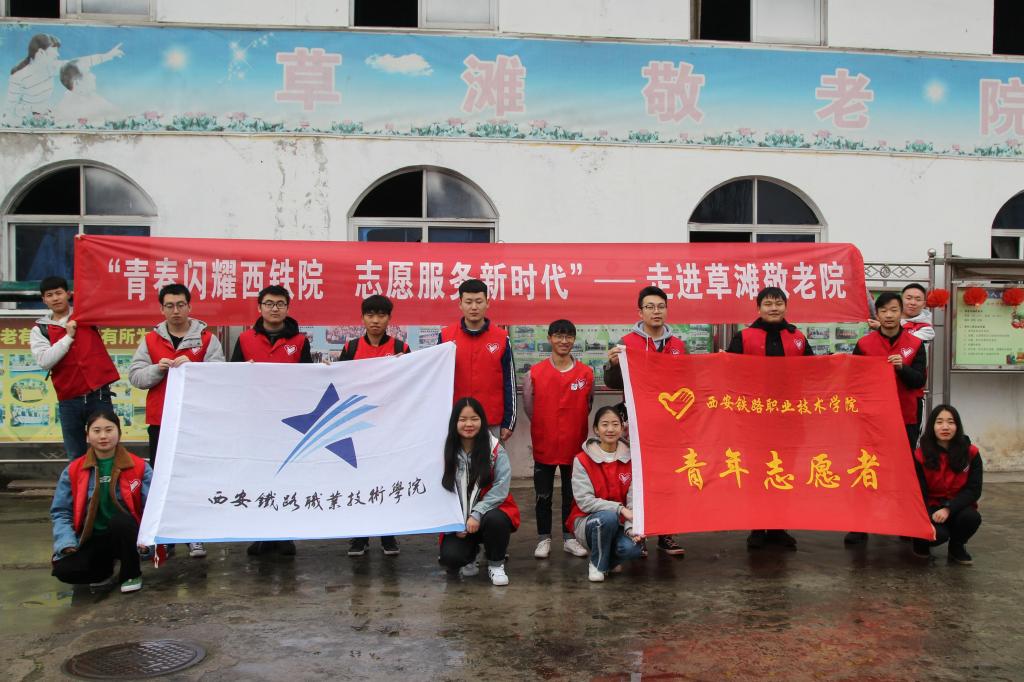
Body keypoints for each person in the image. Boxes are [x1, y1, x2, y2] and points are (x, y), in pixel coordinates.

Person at [128, 283, 224, 558]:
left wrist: (194, 368)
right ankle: (165, 536)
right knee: (162, 479)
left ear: (189, 306)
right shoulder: (150, 340)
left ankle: (195, 535)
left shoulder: (207, 339)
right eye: (169, 306)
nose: (176, 311)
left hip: (196, 421)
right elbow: (135, 376)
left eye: (181, 305)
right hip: (161, 421)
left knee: (195, 478)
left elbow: (220, 373)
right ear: (162, 309)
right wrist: (157, 369)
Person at [603, 285, 686, 557]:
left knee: (668, 479)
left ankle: (667, 534)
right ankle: (638, 532)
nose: (656, 311)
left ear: (667, 310)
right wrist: (612, 365)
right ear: (640, 312)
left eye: (660, 306)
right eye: (650, 307)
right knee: (638, 480)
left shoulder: (678, 346)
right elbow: (613, 383)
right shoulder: (627, 343)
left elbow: (688, 381)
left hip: (670, 424)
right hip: (637, 425)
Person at [727, 286, 812, 550]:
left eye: (778, 303)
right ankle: (757, 527)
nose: (773, 308)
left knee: (784, 472)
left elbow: (813, 371)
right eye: (768, 303)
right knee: (756, 473)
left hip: (789, 418)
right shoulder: (743, 337)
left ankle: (778, 527)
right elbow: (729, 373)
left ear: (786, 306)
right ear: (758, 308)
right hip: (754, 420)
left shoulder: (798, 337)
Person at [232, 285, 311, 556]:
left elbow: (308, 381)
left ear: (287, 308)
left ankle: (285, 534)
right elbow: (231, 377)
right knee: (259, 476)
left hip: (289, 421)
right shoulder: (245, 339)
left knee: (287, 477)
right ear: (259, 307)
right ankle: (261, 533)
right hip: (256, 421)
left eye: (280, 304)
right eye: (269, 303)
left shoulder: (300, 341)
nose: (274, 308)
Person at [845, 292, 926, 545]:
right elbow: (854, 380)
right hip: (871, 419)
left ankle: (904, 523)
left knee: (902, 471)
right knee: (866, 468)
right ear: (877, 315)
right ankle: (861, 525)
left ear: (901, 313)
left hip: (905, 417)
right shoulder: (864, 344)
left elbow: (919, 381)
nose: (889, 315)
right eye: (883, 311)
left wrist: (902, 368)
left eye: (893, 310)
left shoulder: (915, 344)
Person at [50, 410, 151, 594]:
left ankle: (131, 573)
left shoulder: (139, 466)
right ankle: (105, 571)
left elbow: (153, 508)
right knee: (64, 571)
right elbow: (61, 512)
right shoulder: (73, 470)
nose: (103, 436)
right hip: (94, 537)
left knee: (119, 521)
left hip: (128, 535)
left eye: (109, 430)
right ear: (88, 436)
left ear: (119, 433)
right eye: (96, 431)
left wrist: (148, 540)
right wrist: (66, 543)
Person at [341, 294, 409, 557]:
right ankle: (359, 535)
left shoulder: (401, 348)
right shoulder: (350, 348)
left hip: (390, 427)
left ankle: (388, 534)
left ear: (389, 319)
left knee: (387, 480)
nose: (376, 320)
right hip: (358, 428)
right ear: (362, 318)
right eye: (370, 315)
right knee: (359, 481)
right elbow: (340, 383)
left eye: (381, 315)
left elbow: (412, 384)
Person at [523, 319, 592, 560]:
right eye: (559, 336)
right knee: (543, 495)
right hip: (545, 441)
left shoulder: (586, 373)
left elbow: (588, 404)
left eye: (568, 336)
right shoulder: (534, 373)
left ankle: (569, 538)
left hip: (575, 443)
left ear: (574, 339)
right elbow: (529, 407)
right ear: (549, 338)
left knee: (571, 494)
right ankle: (543, 538)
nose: (564, 341)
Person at [30, 276, 119, 460]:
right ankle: (80, 481)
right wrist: (68, 337)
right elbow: (44, 361)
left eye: (59, 293)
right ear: (43, 300)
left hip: (98, 394)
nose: (55, 298)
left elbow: (107, 301)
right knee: (76, 455)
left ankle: (108, 480)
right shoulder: (40, 329)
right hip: (68, 400)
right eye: (50, 295)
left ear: (69, 294)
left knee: (108, 450)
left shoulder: (86, 315)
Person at [438, 397, 520, 586]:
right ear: (454, 422)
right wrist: (455, 522)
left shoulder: (495, 450)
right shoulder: (444, 451)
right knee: (451, 558)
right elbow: (439, 491)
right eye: (463, 419)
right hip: (459, 521)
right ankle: (470, 554)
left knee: (496, 520)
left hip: (487, 515)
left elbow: (501, 488)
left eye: (474, 419)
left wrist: (476, 514)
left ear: (482, 421)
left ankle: (496, 563)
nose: (469, 424)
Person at [568, 406, 645, 582]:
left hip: (620, 523)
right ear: (596, 429)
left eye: (615, 424)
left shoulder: (632, 459)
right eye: (604, 424)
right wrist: (619, 509)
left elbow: (633, 499)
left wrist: (630, 528)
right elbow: (585, 501)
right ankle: (597, 565)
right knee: (607, 517)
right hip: (589, 522)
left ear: (622, 428)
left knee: (634, 549)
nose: (610, 429)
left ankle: (607, 560)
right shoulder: (582, 460)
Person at [438, 279, 516, 443]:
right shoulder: (445, 337)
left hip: (491, 421)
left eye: (479, 302)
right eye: (468, 302)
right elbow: (436, 379)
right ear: (460, 304)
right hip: (456, 420)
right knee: (455, 460)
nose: (474, 307)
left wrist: (509, 421)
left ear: (488, 303)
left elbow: (509, 382)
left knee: (493, 460)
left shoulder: (502, 338)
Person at [911, 405, 983, 564]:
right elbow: (918, 491)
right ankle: (920, 543)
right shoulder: (920, 455)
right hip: (930, 507)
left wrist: (949, 508)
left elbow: (974, 490)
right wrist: (925, 517)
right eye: (939, 422)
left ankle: (956, 547)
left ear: (957, 426)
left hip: (957, 505)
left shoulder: (971, 453)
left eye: (950, 422)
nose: (945, 427)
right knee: (939, 535)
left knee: (971, 518)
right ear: (932, 426)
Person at [5, 34, 123, 120]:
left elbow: (77, 64)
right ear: (41, 53)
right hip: (24, 122)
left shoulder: (50, 68)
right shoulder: (18, 77)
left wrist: (107, 56)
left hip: (43, 116)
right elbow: (10, 108)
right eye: (54, 51)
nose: (58, 54)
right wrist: (34, 110)